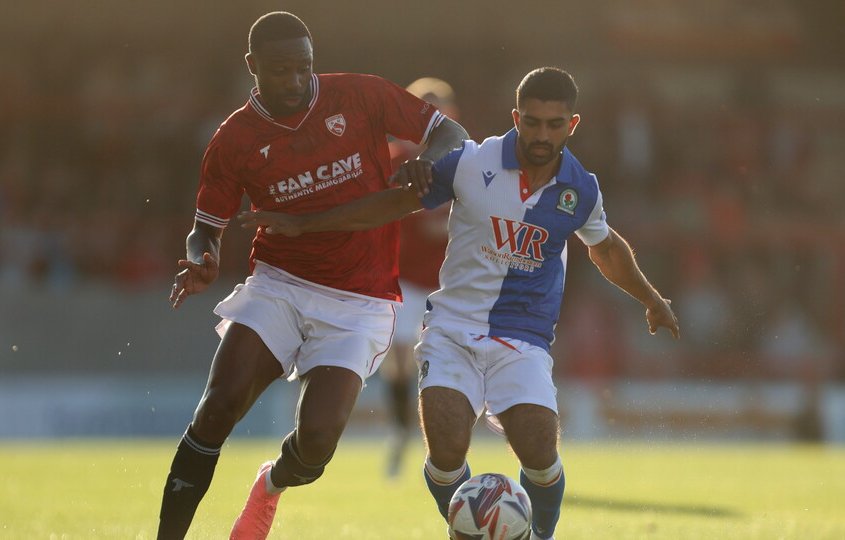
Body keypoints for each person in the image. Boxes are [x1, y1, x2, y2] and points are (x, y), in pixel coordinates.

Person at [240, 66, 680, 540]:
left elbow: (606, 247)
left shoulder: (580, 189)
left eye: (555, 125)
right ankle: (470, 530)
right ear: (516, 117)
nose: (542, 134)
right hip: (452, 328)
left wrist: (651, 299)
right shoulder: (471, 161)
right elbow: (391, 204)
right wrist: (307, 223)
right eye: (532, 122)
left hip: (523, 336)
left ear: (572, 125)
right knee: (447, 450)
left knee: (538, 448)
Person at [156, 11, 468, 540]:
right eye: (280, 70)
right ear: (252, 66)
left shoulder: (361, 95)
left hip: (360, 300)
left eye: (303, 67)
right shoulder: (234, 139)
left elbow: (450, 132)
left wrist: (427, 162)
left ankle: (270, 486)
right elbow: (204, 227)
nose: (296, 80)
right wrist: (202, 256)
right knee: (217, 408)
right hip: (279, 284)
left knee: (318, 440)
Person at [383, 77, 458, 478]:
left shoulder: (464, 158)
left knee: (451, 358)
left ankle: (449, 441)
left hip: (451, 280)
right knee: (398, 359)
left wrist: (447, 226)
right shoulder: (395, 158)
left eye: (437, 106)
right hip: (406, 278)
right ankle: (400, 431)